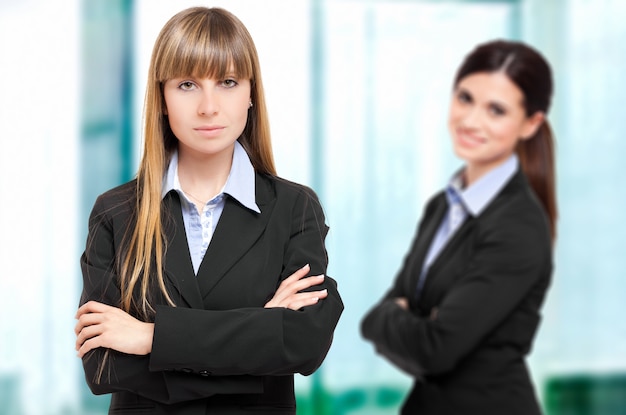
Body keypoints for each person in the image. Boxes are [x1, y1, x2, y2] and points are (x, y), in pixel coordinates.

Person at [74, 7, 343, 414]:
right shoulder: (116, 213)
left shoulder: (294, 208)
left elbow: (305, 342)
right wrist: (260, 334)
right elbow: (103, 364)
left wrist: (150, 338)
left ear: (251, 93)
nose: (208, 106)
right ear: (161, 97)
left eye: (228, 82)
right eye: (186, 84)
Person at [361, 39, 557, 415]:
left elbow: (433, 349)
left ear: (530, 124)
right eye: (465, 98)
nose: (470, 121)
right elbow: (381, 311)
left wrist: (395, 318)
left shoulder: (517, 227)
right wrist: (395, 317)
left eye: (496, 110)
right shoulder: (443, 205)